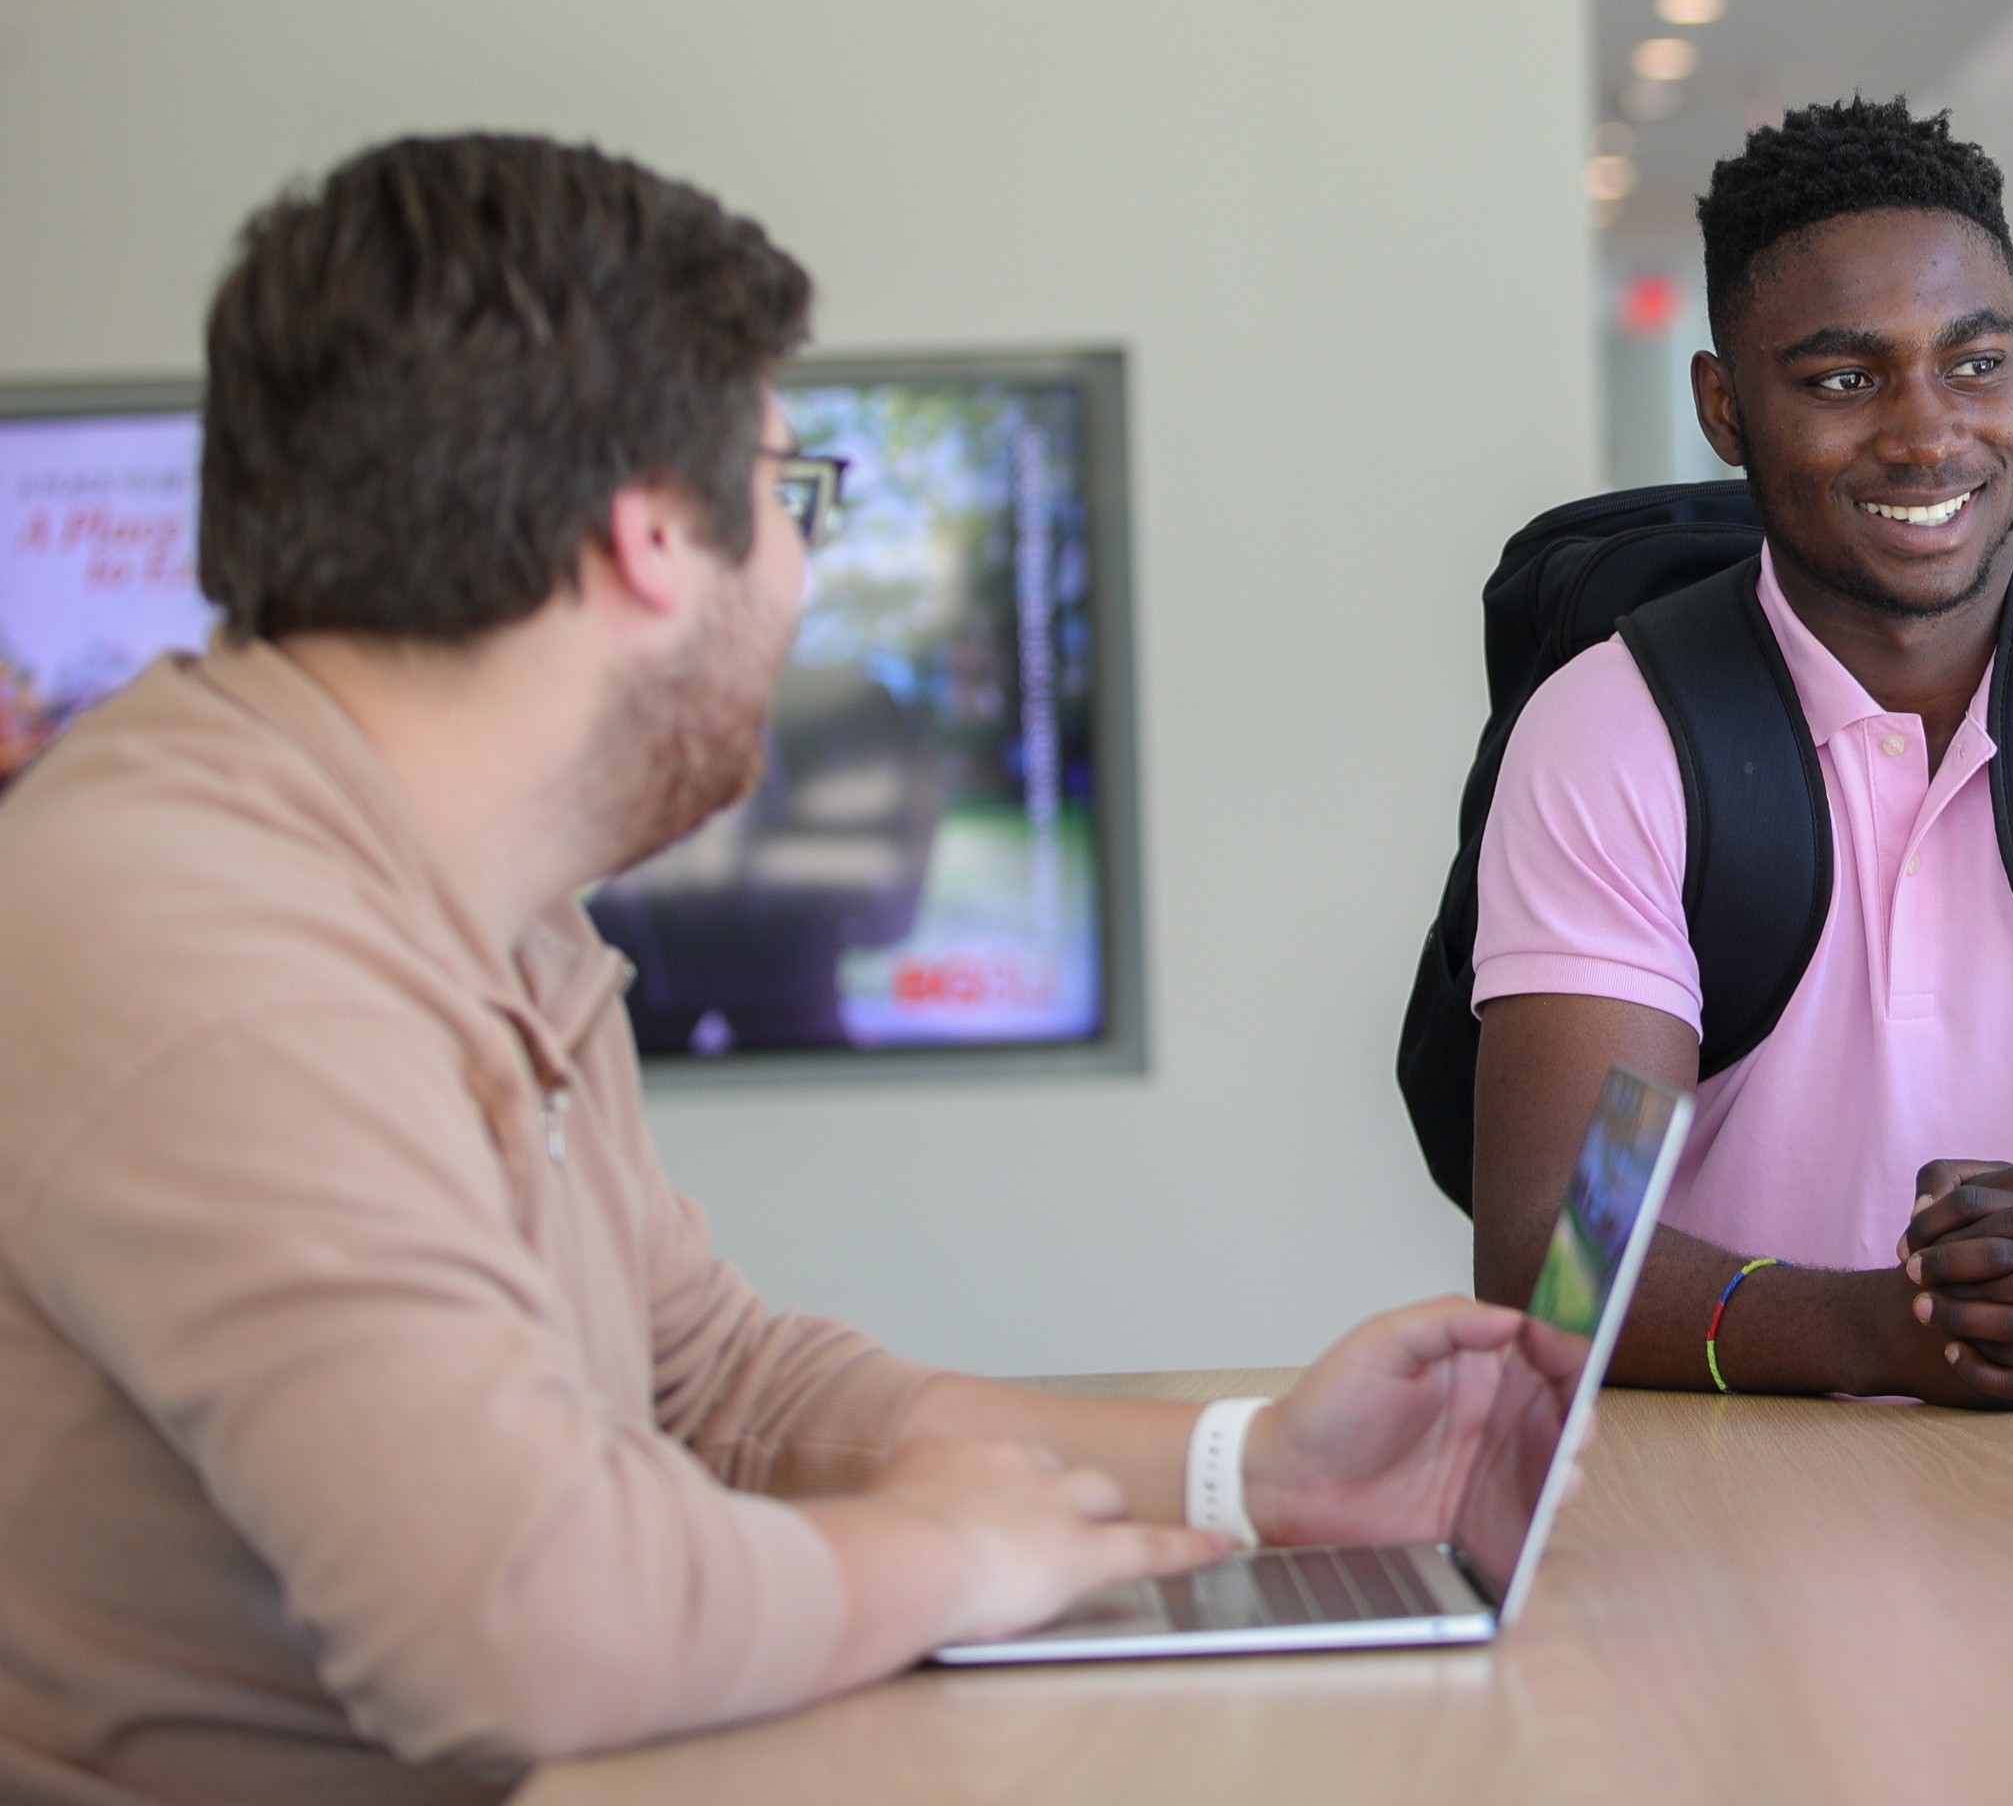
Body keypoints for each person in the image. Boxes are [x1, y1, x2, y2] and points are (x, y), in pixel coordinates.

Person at [0, 136, 1542, 1803]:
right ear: (651, 535)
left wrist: (1250, 1474)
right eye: (788, 498)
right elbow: (530, 1627)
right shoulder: (218, 955)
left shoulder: (474, 893)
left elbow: (714, 1387)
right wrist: (940, 1559)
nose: (796, 576)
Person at [1468, 101, 2013, 1407]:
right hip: (1717, 1507)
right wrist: (1890, 1333)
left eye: (1976, 364)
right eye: (1843, 379)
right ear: (1724, 408)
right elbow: (1564, 1253)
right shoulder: (1618, 732)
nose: (1929, 433)